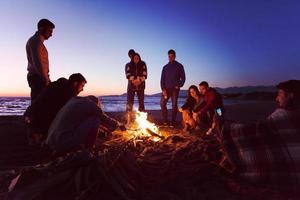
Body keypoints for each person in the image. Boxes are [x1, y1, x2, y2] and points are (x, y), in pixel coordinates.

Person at [220, 80, 300, 198]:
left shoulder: (284, 116)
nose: (277, 99)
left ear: (291, 95)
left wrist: (223, 127)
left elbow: (255, 131)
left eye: (279, 94)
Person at [46, 96, 126, 154]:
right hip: (61, 143)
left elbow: (85, 122)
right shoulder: (90, 105)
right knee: (96, 119)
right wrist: (118, 124)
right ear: (96, 104)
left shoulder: (74, 101)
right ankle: (88, 150)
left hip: (50, 141)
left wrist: (105, 130)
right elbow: (103, 117)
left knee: (92, 119)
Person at [24, 73, 87, 144]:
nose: (82, 90)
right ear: (75, 84)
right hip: (35, 122)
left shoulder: (58, 85)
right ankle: (37, 135)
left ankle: (35, 133)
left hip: (29, 117)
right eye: (82, 86)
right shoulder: (65, 93)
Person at [26, 19, 55, 101]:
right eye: (49, 31)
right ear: (41, 29)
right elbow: (38, 62)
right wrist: (46, 80)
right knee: (38, 103)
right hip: (38, 78)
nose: (51, 34)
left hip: (39, 77)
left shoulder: (36, 41)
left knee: (39, 103)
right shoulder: (36, 41)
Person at [160, 49, 185, 126]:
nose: (170, 58)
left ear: (175, 56)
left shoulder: (179, 66)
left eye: (172, 56)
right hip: (166, 89)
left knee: (174, 105)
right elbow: (162, 79)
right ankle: (165, 121)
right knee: (162, 103)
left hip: (175, 89)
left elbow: (183, 78)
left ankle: (173, 122)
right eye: (169, 56)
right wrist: (163, 89)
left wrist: (178, 85)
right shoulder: (165, 67)